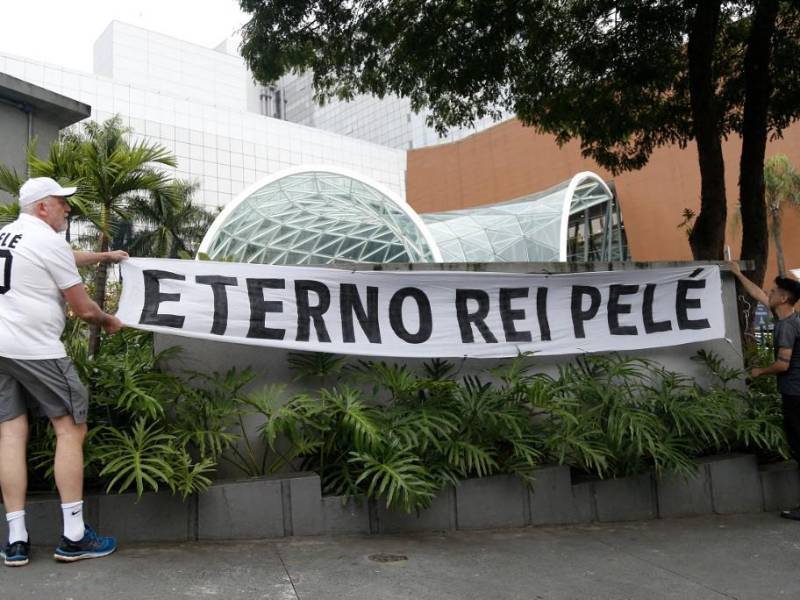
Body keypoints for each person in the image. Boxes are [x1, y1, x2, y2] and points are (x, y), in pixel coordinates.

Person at [0, 177, 127, 566]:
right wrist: (109, 321)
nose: (68, 208)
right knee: (71, 428)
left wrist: (104, 257)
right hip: (35, 348)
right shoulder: (47, 241)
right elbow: (84, 310)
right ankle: (74, 535)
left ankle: (16, 540)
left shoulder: (8, 235)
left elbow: (60, 257)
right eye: (61, 201)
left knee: (10, 434)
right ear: (42, 207)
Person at [730, 261, 800, 519]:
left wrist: (759, 371)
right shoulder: (788, 317)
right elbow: (757, 293)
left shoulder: (786, 326)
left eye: (774, 292)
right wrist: (738, 274)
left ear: (784, 298)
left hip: (795, 395)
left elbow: (783, 364)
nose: (768, 293)